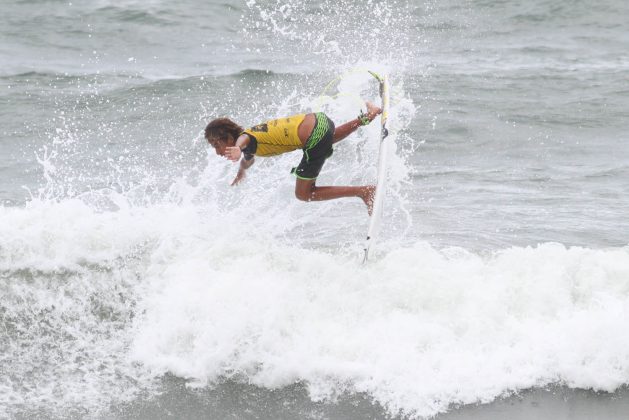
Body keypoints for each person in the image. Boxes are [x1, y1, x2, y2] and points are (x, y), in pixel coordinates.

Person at [204, 102, 382, 213]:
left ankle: (364, 191)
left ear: (228, 137)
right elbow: (248, 158)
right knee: (328, 138)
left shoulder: (246, 139)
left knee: (304, 194)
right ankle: (368, 116)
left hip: (313, 136)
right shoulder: (250, 142)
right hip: (321, 122)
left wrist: (236, 147)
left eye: (217, 145)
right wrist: (241, 171)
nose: (218, 152)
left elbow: (244, 141)